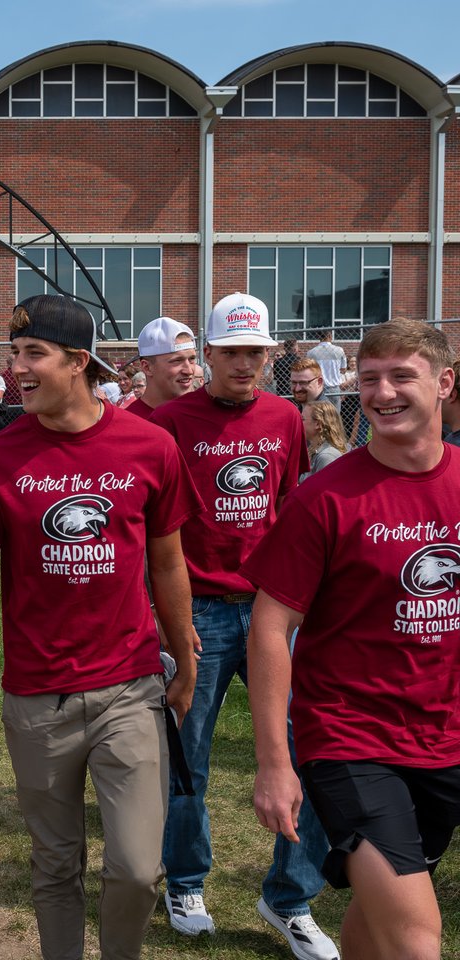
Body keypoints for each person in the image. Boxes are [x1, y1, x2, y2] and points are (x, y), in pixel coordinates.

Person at [0, 294, 201, 960]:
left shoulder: (151, 446)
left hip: (129, 688)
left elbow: (168, 562)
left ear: (79, 362)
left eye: (33, 354)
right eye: (13, 353)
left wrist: (185, 654)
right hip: (36, 698)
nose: (14, 368)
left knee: (139, 870)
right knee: (56, 865)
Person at [244, 318, 460, 960]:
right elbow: (270, 625)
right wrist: (274, 763)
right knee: (417, 940)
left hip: (444, 738)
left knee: (383, 910)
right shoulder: (325, 499)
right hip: (350, 739)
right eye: (369, 379)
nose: (383, 392)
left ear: (444, 383)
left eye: (402, 376)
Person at [150, 293, 338, 960]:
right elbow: (155, 526)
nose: (243, 363)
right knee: (186, 760)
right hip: (196, 610)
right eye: (230, 351)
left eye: (255, 352)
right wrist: (170, 620)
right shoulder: (169, 421)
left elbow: (287, 503)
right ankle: (186, 881)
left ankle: (290, 896)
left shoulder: (287, 417)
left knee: (309, 749)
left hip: (271, 608)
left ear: (270, 355)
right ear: (207, 354)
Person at [126, 316, 198, 421]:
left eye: (191, 359)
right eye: (177, 361)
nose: (189, 370)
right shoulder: (129, 423)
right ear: (147, 367)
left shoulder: (205, 417)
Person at [300, 401, 347, 479]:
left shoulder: (327, 456)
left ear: (318, 424)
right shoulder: (313, 449)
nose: (299, 423)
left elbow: (321, 490)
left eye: (302, 419)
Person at [307, 330, 347, 409]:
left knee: (321, 414)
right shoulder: (339, 350)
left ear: (319, 338)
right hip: (334, 388)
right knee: (335, 415)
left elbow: (309, 370)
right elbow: (344, 369)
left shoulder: (311, 352)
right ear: (329, 336)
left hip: (319, 387)